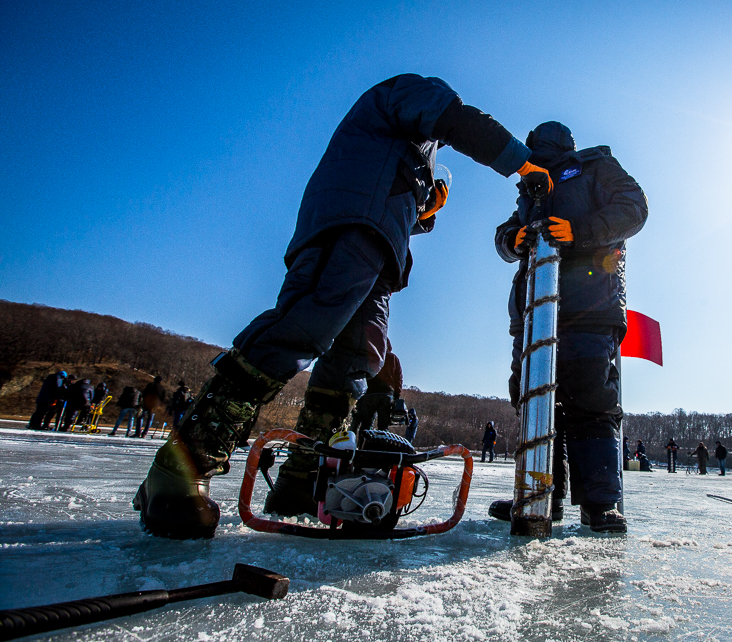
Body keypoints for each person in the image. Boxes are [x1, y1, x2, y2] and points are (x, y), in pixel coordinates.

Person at [134, 73, 553, 539]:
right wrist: (523, 164)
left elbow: (393, 191)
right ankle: (180, 466)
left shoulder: (407, 154)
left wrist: (421, 209)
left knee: (356, 357)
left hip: (380, 246)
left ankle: (301, 478)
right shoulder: (410, 92)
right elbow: (455, 119)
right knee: (305, 324)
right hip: (351, 224)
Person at [489, 121, 648, 533]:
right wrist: (514, 238)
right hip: (532, 313)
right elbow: (504, 234)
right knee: (533, 399)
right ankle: (541, 494)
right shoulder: (531, 187)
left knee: (590, 399)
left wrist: (580, 232)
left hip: (589, 305)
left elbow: (634, 207)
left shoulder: (597, 167)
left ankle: (599, 503)